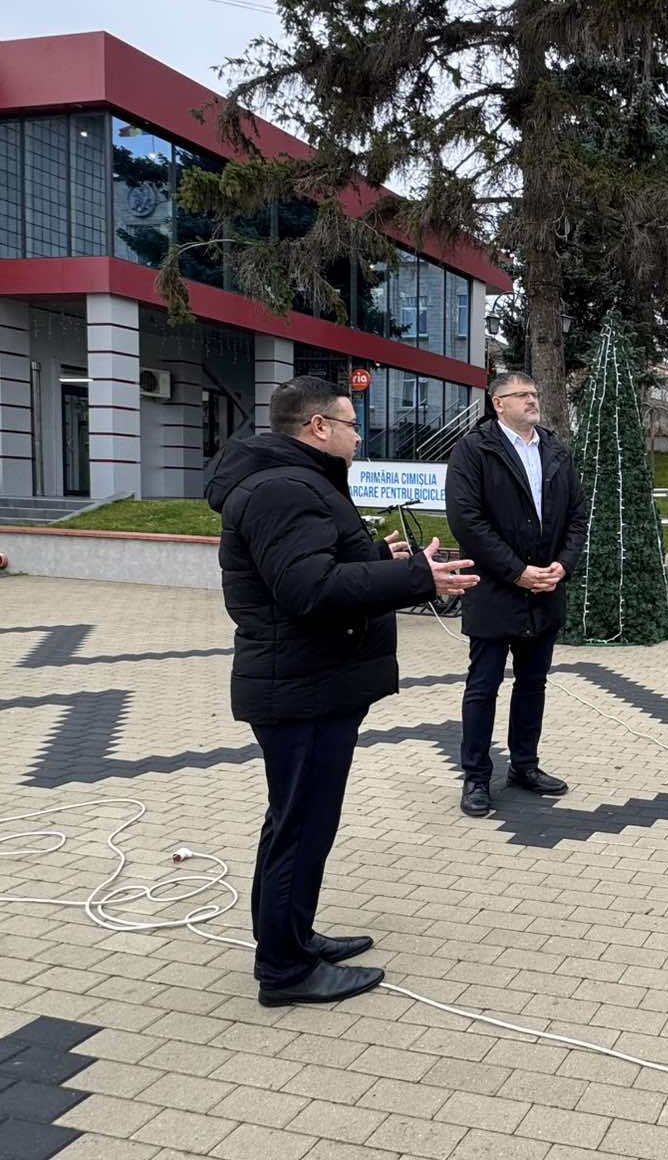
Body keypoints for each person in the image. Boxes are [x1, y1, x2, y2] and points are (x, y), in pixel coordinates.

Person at [206, 376, 479, 1006]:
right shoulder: (283, 488)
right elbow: (309, 590)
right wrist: (417, 577)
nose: (360, 436)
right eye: (352, 424)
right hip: (300, 687)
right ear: (318, 427)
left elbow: (314, 565)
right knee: (299, 827)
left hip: (313, 682)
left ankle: (293, 938)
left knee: (302, 822)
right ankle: (284, 971)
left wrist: (380, 558)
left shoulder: (296, 480)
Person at [447, 371, 589, 818]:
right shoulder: (475, 450)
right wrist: (517, 572)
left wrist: (562, 565)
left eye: (534, 393)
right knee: (483, 687)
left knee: (533, 684)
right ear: (498, 403)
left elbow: (578, 516)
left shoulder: (555, 450)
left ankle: (524, 766)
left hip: (545, 589)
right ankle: (476, 776)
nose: (532, 400)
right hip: (494, 591)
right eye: (521, 394)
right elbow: (467, 521)